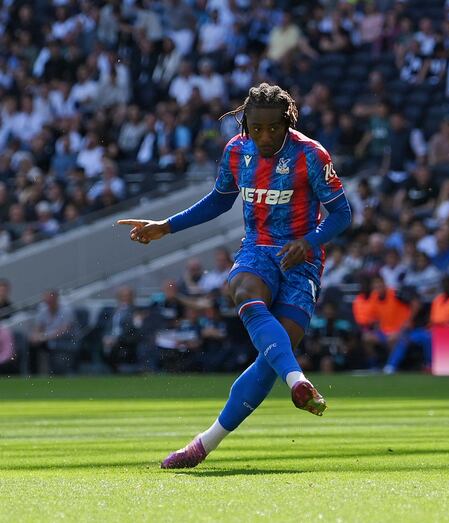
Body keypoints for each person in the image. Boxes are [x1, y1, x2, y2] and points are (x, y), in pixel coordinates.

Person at [118, 83, 352, 469]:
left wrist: (309, 242)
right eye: (256, 128)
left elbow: (343, 214)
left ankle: (204, 444)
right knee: (243, 290)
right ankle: (297, 382)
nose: (264, 136)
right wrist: (167, 225)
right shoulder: (236, 150)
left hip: (300, 260)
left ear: (287, 122)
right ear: (245, 123)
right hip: (257, 248)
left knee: (269, 357)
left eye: (273, 128)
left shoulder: (311, 155)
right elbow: (220, 199)